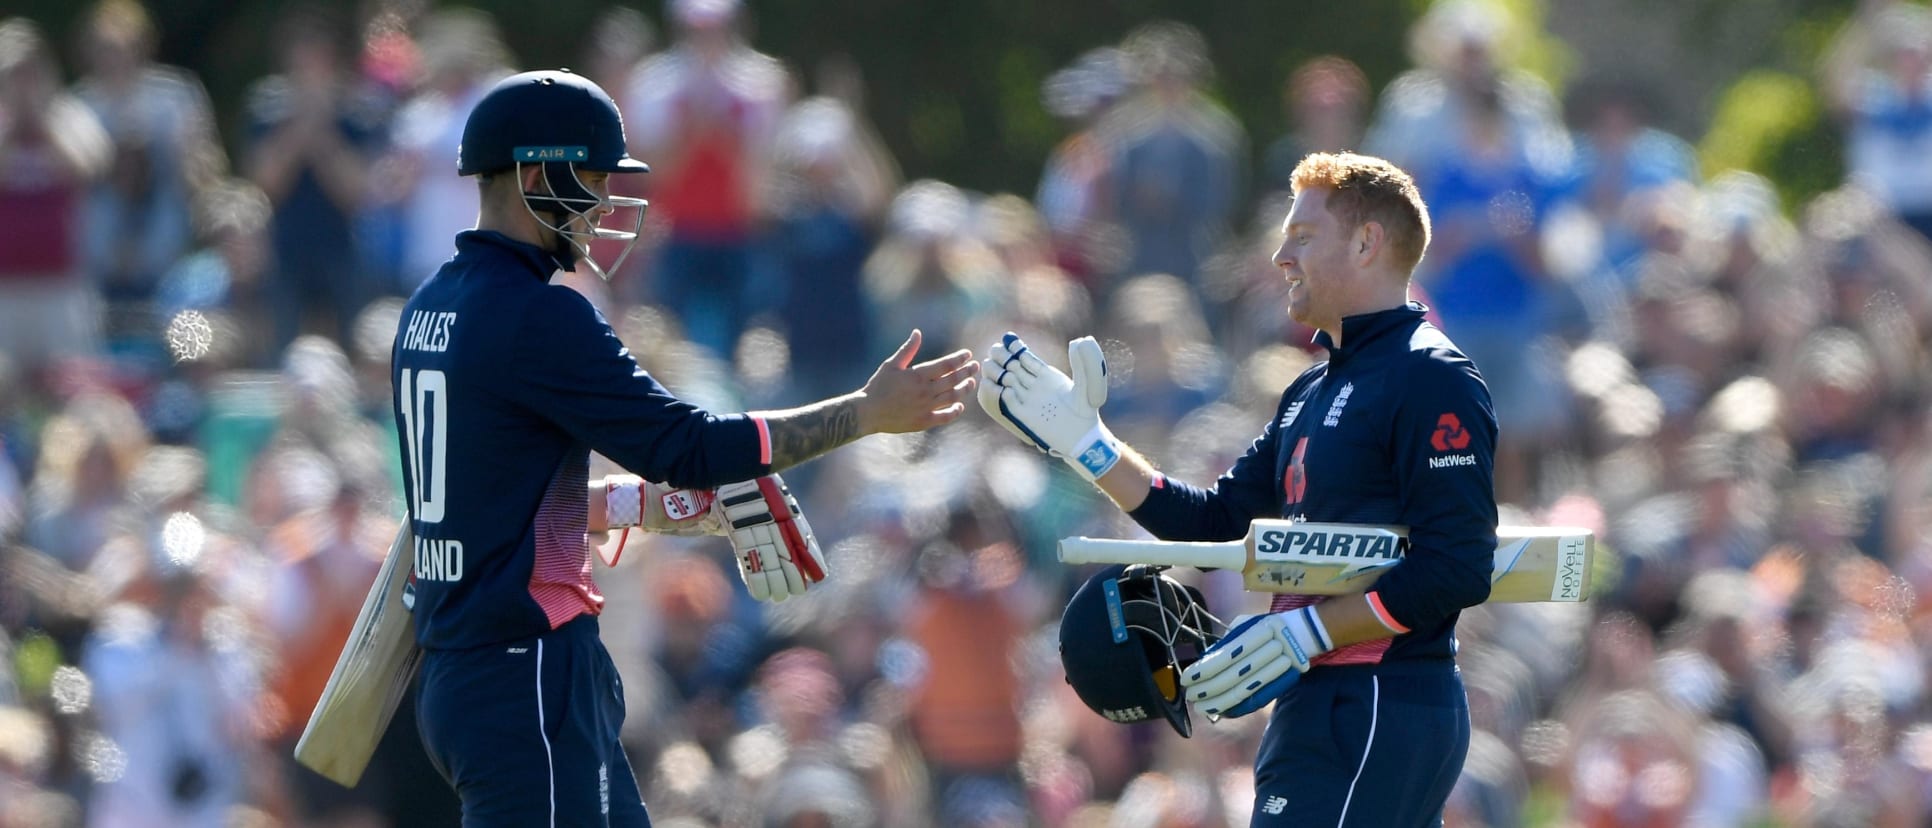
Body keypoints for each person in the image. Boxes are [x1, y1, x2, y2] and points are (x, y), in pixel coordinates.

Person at [393, 69, 978, 825]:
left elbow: (487, 497)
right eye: (592, 180)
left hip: (472, 672)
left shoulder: (427, 306)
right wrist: (863, 415)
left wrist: (635, 506)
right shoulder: (539, 316)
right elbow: (690, 445)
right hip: (524, 670)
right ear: (536, 175)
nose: (604, 203)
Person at [980, 151, 1497, 826]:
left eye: (1303, 236)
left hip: (1381, 693)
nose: (1282, 256)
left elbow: (1455, 568)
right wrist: (1089, 446)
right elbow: (1214, 520)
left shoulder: (1431, 376)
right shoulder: (1311, 388)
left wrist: (1305, 631)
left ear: (1368, 242)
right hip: (1318, 694)